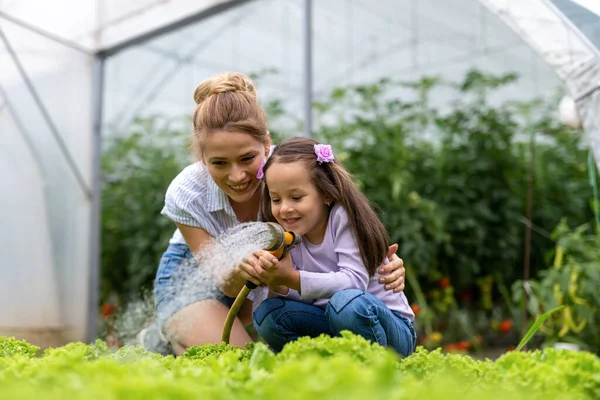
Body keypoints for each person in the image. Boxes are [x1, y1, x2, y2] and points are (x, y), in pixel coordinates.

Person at [138, 72, 407, 355]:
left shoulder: (289, 170)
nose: (237, 175)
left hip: (267, 282)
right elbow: (228, 286)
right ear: (202, 158)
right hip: (196, 278)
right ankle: (171, 332)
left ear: (266, 144)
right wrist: (250, 267)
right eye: (219, 163)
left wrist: (376, 263)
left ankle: (186, 336)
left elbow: (333, 234)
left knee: (268, 357)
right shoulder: (186, 192)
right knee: (236, 363)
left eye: (247, 158)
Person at [239, 137, 416, 356]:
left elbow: (353, 283)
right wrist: (278, 281)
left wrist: (292, 278)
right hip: (333, 323)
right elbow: (309, 296)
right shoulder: (288, 233)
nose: (285, 208)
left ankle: (375, 372)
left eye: (296, 197)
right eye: (276, 200)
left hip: (388, 330)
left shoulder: (342, 218)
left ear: (326, 193)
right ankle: (322, 367)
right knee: (269, 313)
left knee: (346, 303)